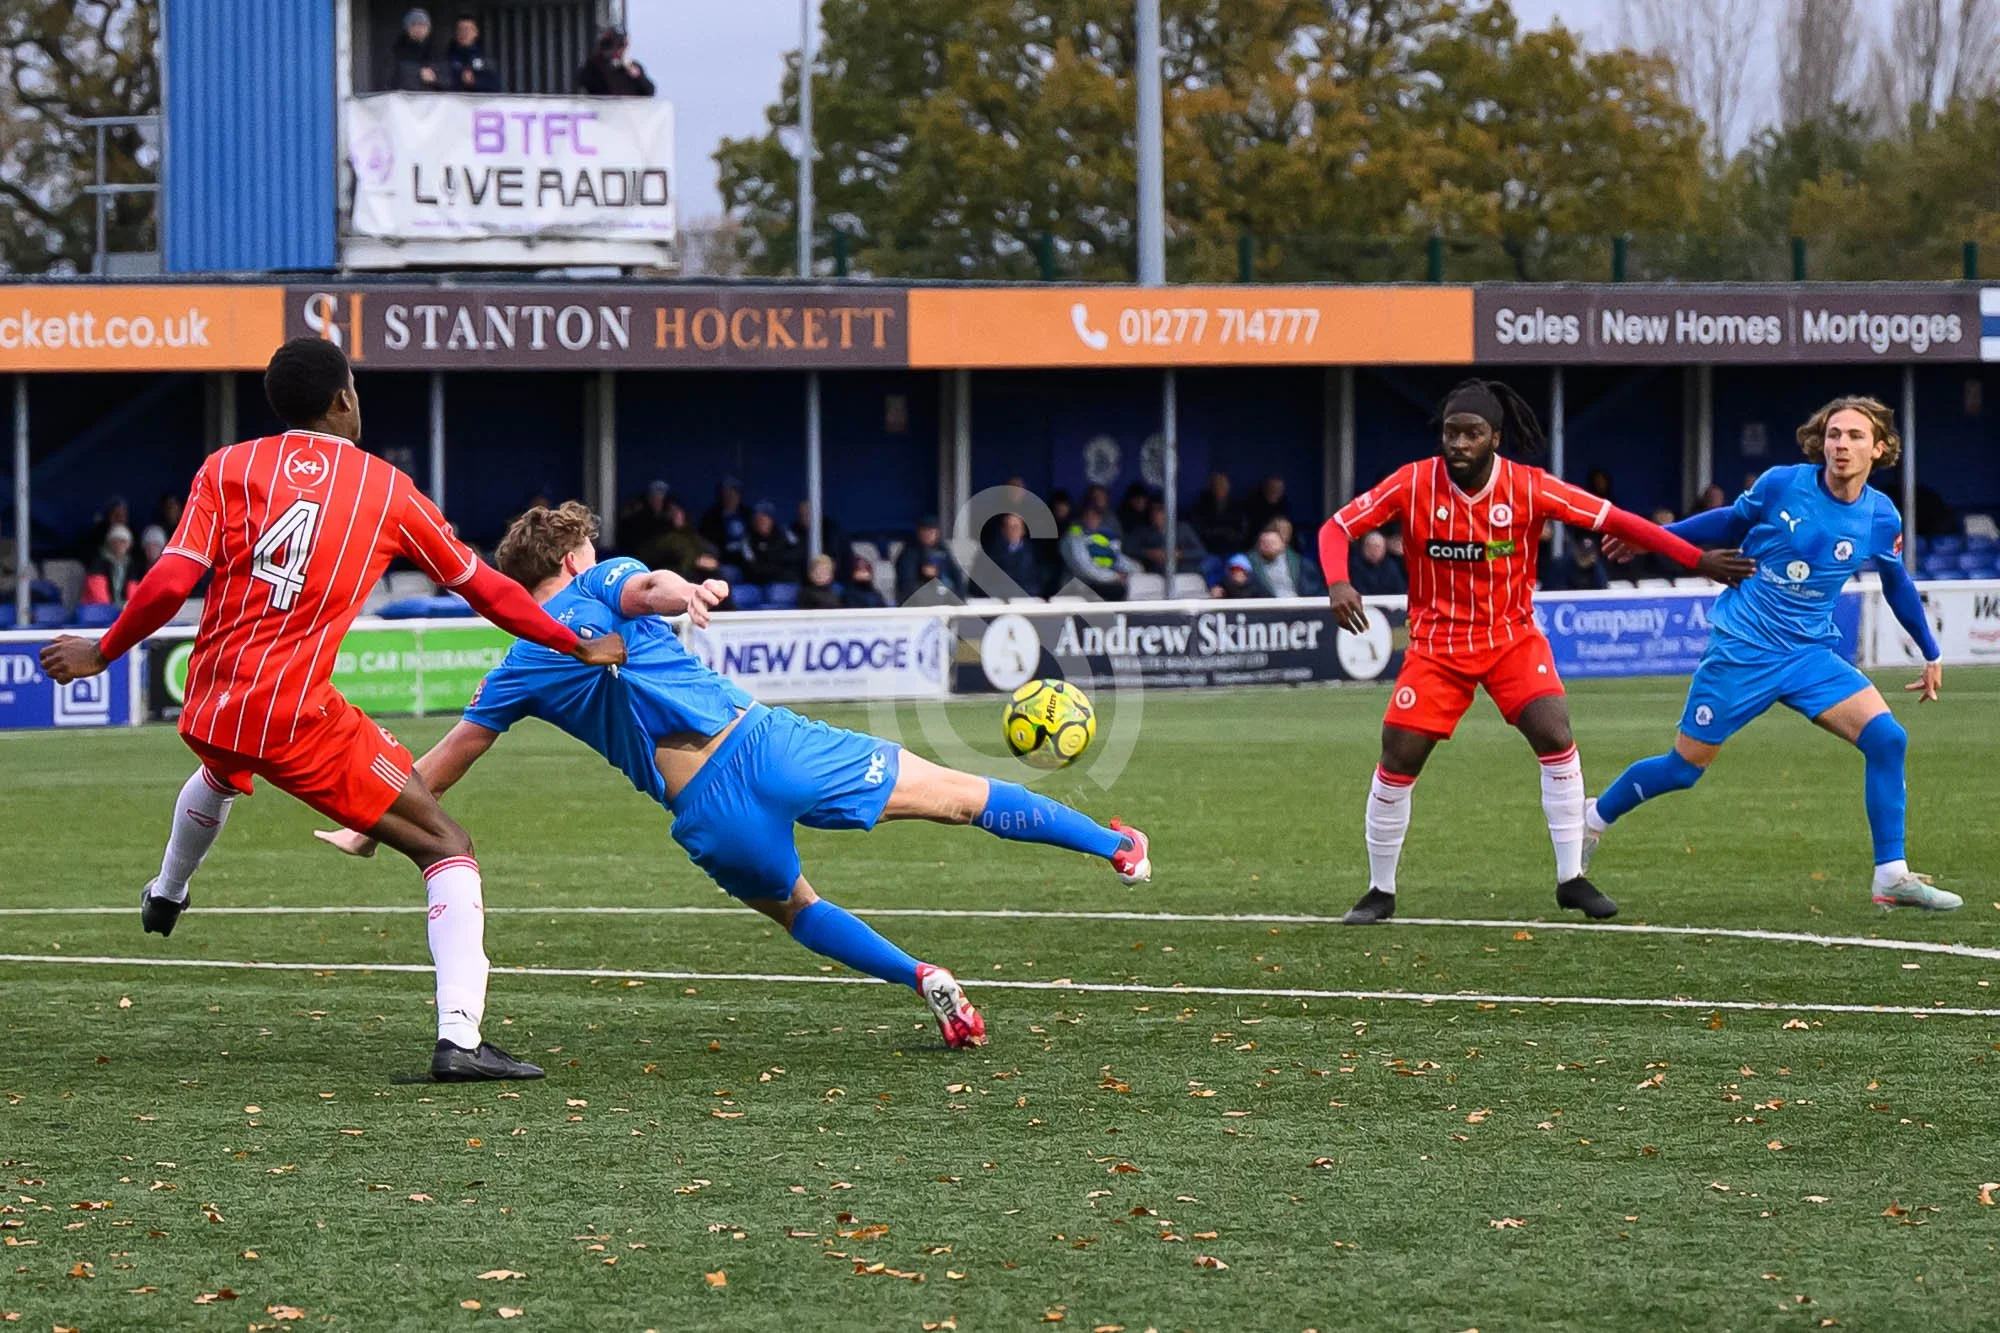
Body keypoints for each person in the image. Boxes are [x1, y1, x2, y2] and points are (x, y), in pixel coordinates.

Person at [315, 503, 1154, 1049]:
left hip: (707, 813)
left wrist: (366, 823)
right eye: (589, 548)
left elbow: (448, 759)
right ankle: (1114, 845)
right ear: (570, 559)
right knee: (963, 799)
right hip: (762, 746)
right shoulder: (600, 580)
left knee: (800, 910)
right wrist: (689, 590)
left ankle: (921, 977)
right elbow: (647, 586)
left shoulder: (516, 663)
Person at [38, 338, 626, 1083]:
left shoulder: (226, 467)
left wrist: (105, 650)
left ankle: (167, 892)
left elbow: (169, 580)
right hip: (294, 716)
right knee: (446, 842)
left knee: (221, 768)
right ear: (344, 399)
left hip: (213, 699)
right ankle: (461, 1038)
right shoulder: (387, 490)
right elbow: (485, 587)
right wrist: (574, 642)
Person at [1316, 377, 1751, 925]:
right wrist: (1338, 581)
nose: (1458, 443)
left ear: (1495, 437)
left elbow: (1617, 520)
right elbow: (1336, 528)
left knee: (1554, 732)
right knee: (1399, 754)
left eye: (1472, 433)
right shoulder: (1413, 483)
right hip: (1437, 645)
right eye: (1451, 432)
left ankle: (1571, 878)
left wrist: (1697, 559)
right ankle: (1380, 890)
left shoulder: (1531, 488)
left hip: (1510, 638)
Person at [1586, 396, 1955, 911]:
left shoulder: (1880, 515)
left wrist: (1930, 651)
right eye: (1834, 434)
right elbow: (1728, 522)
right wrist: (1655, 539)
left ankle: (1891, 877)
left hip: (1809, 655)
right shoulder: (1784, 483)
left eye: (1855, 436)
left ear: (1879, 449)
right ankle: (1592, 818)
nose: (1841, 445)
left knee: (1888, 739)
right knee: (1683, 769)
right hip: (1744, 648)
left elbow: (1896, 583)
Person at [1061, 503, 1138, 601]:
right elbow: (1085, 569)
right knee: (1119, 591)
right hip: (1080, 585)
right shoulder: (1073, 538)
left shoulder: (1103, 536)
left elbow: (1118, 559)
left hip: (1104, 582)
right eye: (1088, 516)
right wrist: (1114, 576)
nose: (1092, 519)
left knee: (1137, 584)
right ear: (1082, 519)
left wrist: (1137, 569)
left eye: (1095, 516)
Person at [1126, 499, 1206, 577]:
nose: (1156, 514)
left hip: (1183, 572)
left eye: (1160, 510)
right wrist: (1150, 553)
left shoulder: (1183, 528)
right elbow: (1129, 550)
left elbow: (1201, 552)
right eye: (1153, 511)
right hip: (1154, 574)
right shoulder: (1142, 531)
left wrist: (1178, 554)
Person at [895, 515, 966, 600]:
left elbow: (955, 573)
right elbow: (907, 583)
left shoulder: (941, 548)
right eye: (925, 531)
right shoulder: (910, 551)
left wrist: (958, 595)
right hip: (916, 598)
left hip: (941, 595)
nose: (928, 535)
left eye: (932, 532)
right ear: (919, 533)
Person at [738, 501, 806, 587]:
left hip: (784, 581)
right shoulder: (748, 540)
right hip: (759, 583)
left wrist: (771, 557)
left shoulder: (785, 534)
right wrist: (777, 562)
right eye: (758, 520)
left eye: (765, 519)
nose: (762, 522)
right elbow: (752, 568)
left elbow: (798, 553)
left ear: (771, 520)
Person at [978, 512, 1043, 599]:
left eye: (1016, 527)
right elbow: (986, 579)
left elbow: (1036, 580)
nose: (1013, 530)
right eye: (1009, 527)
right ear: (1003, 530)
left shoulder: (1033, 552)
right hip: (1000, 598)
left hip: (1026, 597)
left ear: (1023, 530)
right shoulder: (992, 552)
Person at [577, 27, 655, 96]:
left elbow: (649, 91)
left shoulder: (633, 67)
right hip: (605, 106)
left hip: (629, 106)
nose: (617, 48)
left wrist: (637, 76)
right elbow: (584, 81)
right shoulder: (594, 66)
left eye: (621, 44)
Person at [1248, 526, 1321, 598]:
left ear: (1283, 544)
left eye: (1272, 542)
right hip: (1267, 604)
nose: (1268, 546)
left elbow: (1314, 588)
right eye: (1264, 543)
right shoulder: (1250, 565)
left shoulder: (1301, 564)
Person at [1190, 472, 1248, 556]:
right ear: (1211, 487)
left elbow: (1242, 532)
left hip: (1232, 549)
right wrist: (1221, 532)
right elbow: (1199, 530)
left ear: (1228, 486)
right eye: (1216, 484)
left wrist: (1230, 534)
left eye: (1223, 484)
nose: (1220, 487)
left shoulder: (1237, 506)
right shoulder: (1201, 506)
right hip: (1208, 550)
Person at [82, 525, 137, 605]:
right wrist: (111, 608)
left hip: (121, 606)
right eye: (116, 541)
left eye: (124, 541)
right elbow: (98, 592)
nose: (120, 545)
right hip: (98, 608)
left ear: (129, 544)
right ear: (109, 543)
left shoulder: (130, 565)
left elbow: (133, 590)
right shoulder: (99, 562)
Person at [387, 8, 441, 90]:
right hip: (404, 97)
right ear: (407, 28)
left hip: (432, 97)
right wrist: (418, 73)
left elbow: (446, 79)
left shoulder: (436, 50)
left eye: (423, 25)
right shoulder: (397, 51)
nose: (419, 29)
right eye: (414, 24)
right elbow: (391, 79)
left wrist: (435, 78)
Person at [446, 15, 500, 92]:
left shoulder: (486, 56)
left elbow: (495, 85)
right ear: (456, 33)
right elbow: (441, 81)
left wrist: (475, 81)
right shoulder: (447, 56)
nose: (465, 33)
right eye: (461, 29)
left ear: (476, 32)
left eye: (469, 29)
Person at [1346, 530, 1406, 598]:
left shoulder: (1391, 567)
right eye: (1370, 547)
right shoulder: (1354, 566)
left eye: (1377, 547)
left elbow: (1400, 592)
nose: (1373, 551)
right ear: (1363, 548)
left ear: (1384, 549)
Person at [1543, 531, 1609, 591]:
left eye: (1589, 552)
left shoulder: (1597, 569)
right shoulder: (1559, 567)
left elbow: (1602, 591)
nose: (1586, 556)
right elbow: (1557, 594)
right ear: (1575, 549)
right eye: (1582, 553)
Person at [700, 478, 748, 556]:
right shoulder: (710, 516)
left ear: (739, 496)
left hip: (746, 557)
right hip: (722, 558)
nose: (730, 497)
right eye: (726, 494)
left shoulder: (747, 514)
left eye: (734, 493)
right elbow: (705, 540)